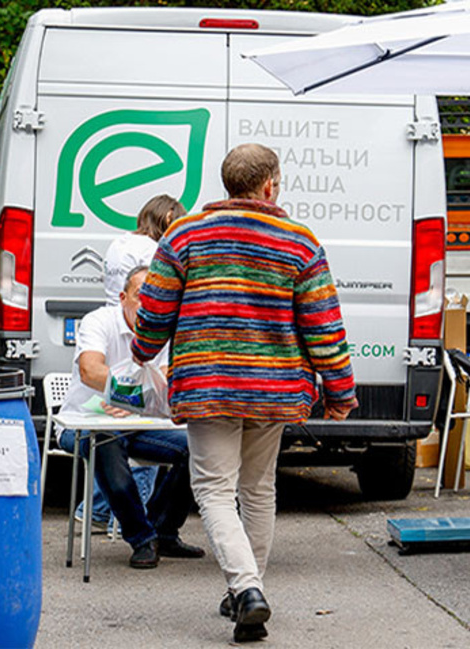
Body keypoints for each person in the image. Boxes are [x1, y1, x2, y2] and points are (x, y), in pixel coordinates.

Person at [131, 144, 357, 642]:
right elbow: (324, 326)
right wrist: (339, 390)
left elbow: (155, 308)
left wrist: (144, 348)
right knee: (258, 488)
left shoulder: (184, 234)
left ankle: (246, 589)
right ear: (270, 185)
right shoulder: (298, 241)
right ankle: (245, 591)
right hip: (273, 388)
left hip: (209, 383)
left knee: (212, 489)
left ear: (228, 183)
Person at [58, 265, 205, 568]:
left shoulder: (164, 330)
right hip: (83, 423)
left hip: (138, 425)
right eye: (142, 296)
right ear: (123, 297)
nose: (149, 304)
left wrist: (130, 402)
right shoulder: (98, 321)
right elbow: (90, 370)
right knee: (106, 442)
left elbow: (167, 380)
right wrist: (131, 396)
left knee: (200, 447)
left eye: (157, 296)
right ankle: (141, 537)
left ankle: (163, 530)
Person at [78, 194, 188, 530]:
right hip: (124, 367)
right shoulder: (153, 253)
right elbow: (90, 371)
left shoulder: (119, 243)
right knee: (119, 440)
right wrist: (131, 398)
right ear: (168, 215)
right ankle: (135, 527)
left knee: (186, 443)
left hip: (126, 349)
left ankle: (141, 523)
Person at [103, 194, 187, 305]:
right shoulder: (151, 250)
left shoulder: (117, 243)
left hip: (113, 314)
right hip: (135, 317)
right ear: (168, 220)